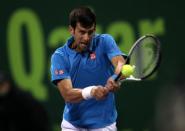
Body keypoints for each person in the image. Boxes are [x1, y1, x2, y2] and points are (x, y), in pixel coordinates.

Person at [50, 6, 126, 131]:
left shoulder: (105, 41)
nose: (86, 38)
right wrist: (91, 91)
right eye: (82, 32)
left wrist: (115, 77)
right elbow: (68, 94)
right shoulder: (60, 57)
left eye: (90, 32)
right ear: (71, 30)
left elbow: (120, 64)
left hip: (104, 125)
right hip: (73, 125)